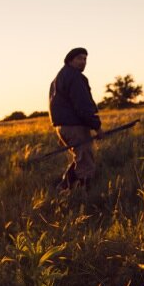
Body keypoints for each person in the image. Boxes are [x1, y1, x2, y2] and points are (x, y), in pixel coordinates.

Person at [49, 47, 104, 190]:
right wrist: (97, 127)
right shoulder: (74, 77)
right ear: (70, 60)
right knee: (86, 161)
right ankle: (84, 196)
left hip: (62, 127)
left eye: (85, 59)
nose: (83, 62)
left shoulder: (59, 77)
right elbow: (83, 105)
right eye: (80, 58)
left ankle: (63, 187)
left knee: (80, 156)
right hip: (74, 126)